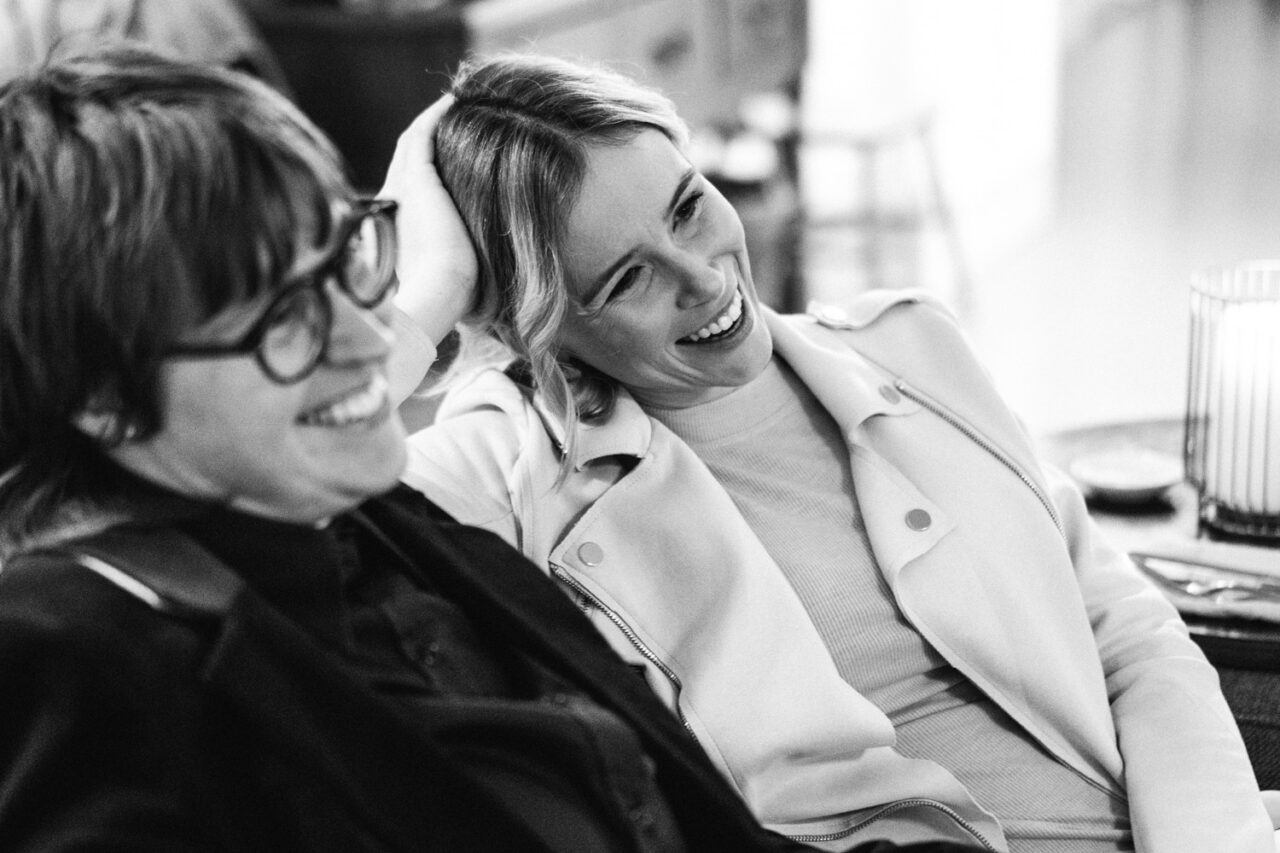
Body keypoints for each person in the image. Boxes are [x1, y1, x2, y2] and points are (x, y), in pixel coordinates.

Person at [0, 45, 982, 853]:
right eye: (281, 319)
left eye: (346, 258)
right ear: (103, 400)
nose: (361, 334)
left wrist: (425, 280)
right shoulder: (71, 652)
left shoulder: (366, 518)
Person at [400, 53, 1277, 852]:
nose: (703, 278)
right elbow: (278, 523)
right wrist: (426, 295)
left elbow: (1129, 634)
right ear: (541, 326)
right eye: (628, 278)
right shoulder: (512, 475)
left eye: (689, 205)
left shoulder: (910, 347)